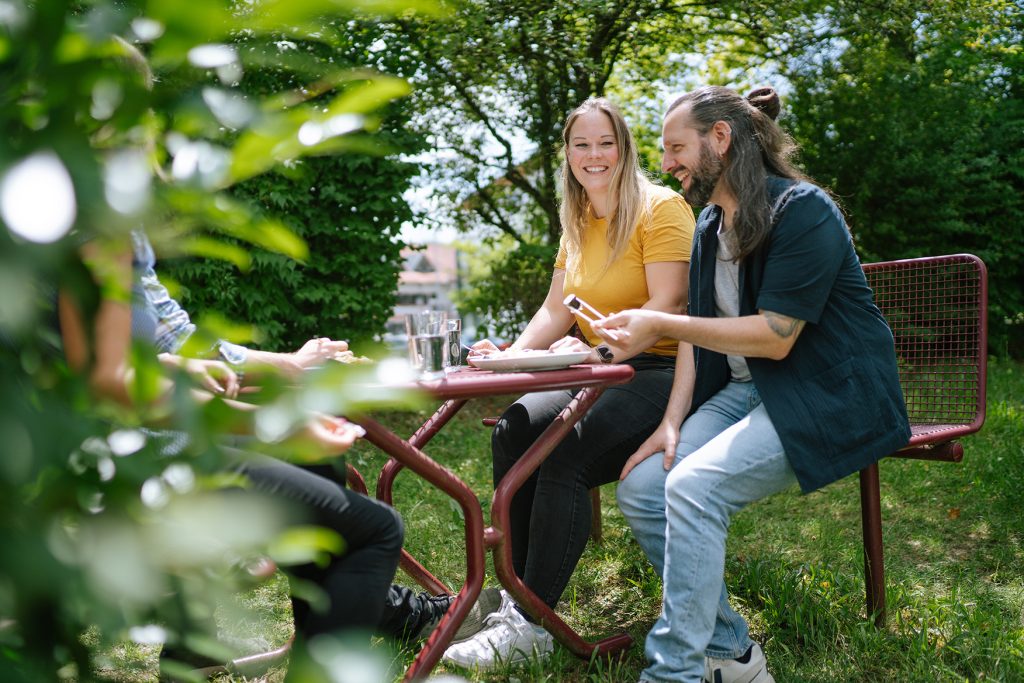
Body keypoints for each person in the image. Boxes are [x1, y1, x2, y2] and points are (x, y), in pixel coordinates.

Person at [590, 85, 912, 683]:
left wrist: (657, 320)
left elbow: (777, 335)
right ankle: (732, 653)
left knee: (692, 487)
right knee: (641, 489)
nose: (666, 164)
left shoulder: (804, 209)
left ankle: (673, 673)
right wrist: (671, 422)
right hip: (747, 391)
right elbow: (696, 333)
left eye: (675, 148)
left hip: (823, 393)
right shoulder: (708, 225)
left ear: (721, 138)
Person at [443, 97, 695, 670]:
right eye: (581, 144)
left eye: (605, 142)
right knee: (516, 427)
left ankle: (531, 625)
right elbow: (557, 311)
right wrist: (510, 355)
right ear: (567, 154)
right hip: (599, 369)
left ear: (625, 148)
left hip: (661, 370)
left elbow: (669, 306)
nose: (594, 155)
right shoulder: (578, 221)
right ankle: (515, 595)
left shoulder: (662, 209)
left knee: (563, 454)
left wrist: (599, 350)